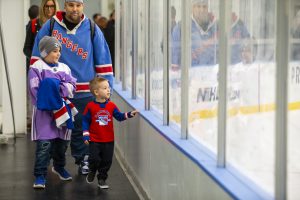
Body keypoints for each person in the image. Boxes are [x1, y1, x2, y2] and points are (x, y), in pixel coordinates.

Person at [30, 0, 114, 175]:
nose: (74, 9)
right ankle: (54, 162)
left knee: (80, 130)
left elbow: (103, 60)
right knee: (56, 130)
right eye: (70, 5)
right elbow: (37, 58)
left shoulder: (92, 28)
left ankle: (82, 160)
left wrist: (107, 90)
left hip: (85, 91)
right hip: (57, 91)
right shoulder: (51, 25)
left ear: (82, 6)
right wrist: (37, 89)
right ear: (65, 6)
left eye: (78, 5)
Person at [28, 36, 77, 189]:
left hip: (62, 109)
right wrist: (55, 89)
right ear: (45, 52)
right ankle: (40, 175)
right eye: (54, 51)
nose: (58, 54)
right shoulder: (37, 67)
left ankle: (59, 166)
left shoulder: (64, 68)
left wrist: (54, 88)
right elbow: (35, 89)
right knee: (44, 145)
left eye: (59, 51)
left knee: (62, 143)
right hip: (44, 112)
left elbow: (71, 87)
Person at [83, 77, 138, 189]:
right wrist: (86, 135)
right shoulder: (90, 106)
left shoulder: (111, 106)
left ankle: (102, 179)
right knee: (95, 159)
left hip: (108, 140)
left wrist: (129, 114)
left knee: (107, 161)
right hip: (94, 139)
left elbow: (119, 116)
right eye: (105, 88)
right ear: (96, 92)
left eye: (108, 87)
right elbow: (85, 121)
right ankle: (92, 170)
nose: (108, 90)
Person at [171, 0, 218, 68]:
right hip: (191, 76)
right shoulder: (181, 28)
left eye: (204, 7)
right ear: (192, 8)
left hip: (211, 76)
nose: (202, 10)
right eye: (198, 6)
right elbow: (175, 62)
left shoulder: (215, 27)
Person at [23, 0, 60, 72]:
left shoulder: (60, 25)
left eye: (52, 6)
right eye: (47, 6)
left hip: (57, 68)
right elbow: (26, 49)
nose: (49, 9)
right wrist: (40, 58)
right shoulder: (34, 24)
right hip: (38, 68)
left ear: (56, 7)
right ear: (43, 7)